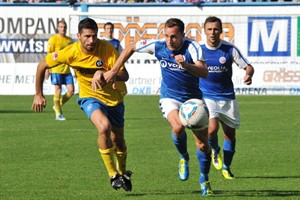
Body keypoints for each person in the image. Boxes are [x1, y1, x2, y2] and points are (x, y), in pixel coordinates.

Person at [100, 18, 213, 196]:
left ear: (183, 35)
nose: (169, 40)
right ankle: (183, 157)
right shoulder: (158, 46)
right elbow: (130, 47)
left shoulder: (193, 47)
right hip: (170, 97)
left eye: (174, 36)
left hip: (192, 100)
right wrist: (114, 71)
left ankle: (204, 178)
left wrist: (185, 65)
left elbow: (204, 72)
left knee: (203, 145)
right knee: (177, 127)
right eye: (167, 36)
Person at [31, 17, 132, 192]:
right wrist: (38, 94)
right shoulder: (70, 52)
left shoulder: (107, 49)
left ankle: (122, 172)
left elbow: (124, 75)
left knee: (119, 141)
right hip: (89, 97)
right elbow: (42, 65)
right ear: (79, 36)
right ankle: (113, 175)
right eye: (87, 36)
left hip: (114, 99)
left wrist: (105, 73)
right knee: (103, 127)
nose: (91, 40)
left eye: (94, 36)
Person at [199, 16, 254, 179]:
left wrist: (248, 75)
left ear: (221, 31)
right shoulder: (199, 50)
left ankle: (226, 167)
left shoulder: (230, 49)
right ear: (205, 31)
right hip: (207, 96)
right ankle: (215, 150)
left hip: (228, 97)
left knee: (230, 135)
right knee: (211, 129)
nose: (213, 32)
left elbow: (248, 66)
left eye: (216, 29)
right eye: (209, 29)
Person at [46, 19, 74, 121]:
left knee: (71, 91)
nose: (63, 29)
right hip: (56, 69)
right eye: (61, 27)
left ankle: (57, 105)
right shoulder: (53, 40)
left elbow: (71, 55)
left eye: (64, 27)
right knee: (58, 89)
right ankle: (58, 114)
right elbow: (49, 55)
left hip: (67, 70)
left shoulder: (69, 40)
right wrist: (47, 69)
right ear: (58, 28)